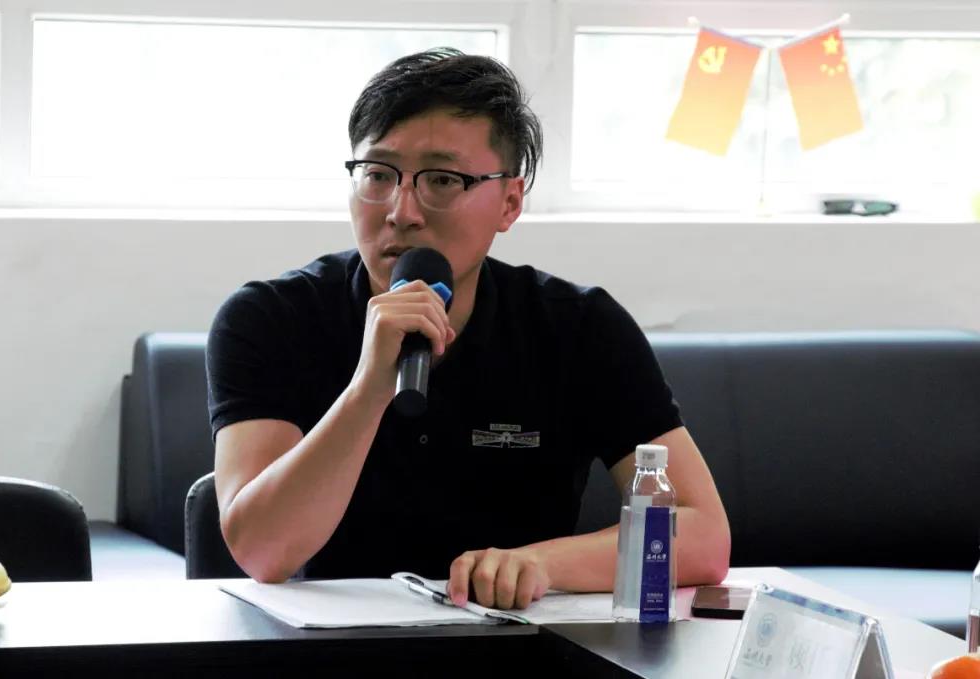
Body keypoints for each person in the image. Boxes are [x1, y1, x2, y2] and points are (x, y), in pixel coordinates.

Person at [207, 47, 730, 611]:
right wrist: (369, 388)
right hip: (325, 644)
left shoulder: (578, 326)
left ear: (509, 203)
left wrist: (541, 564)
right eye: (378, 175)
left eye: (442, 179)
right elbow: (262, 552)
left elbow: (703, 538)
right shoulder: (269, 318)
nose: (401, 210)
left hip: (518, 640)